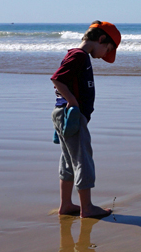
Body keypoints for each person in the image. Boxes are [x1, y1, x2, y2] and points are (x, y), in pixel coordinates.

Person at [51, 21, 121, 218]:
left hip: (65, 114)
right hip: (72, 115)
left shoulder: (78, 56)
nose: (104, 55)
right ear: (101, 39)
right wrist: (73, 103)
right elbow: (57, 78)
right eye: (107, 49)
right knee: (83, 160)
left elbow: (62, 83)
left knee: (68, 160)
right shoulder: (79, 56)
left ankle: (66, 205)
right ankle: (87, 208)